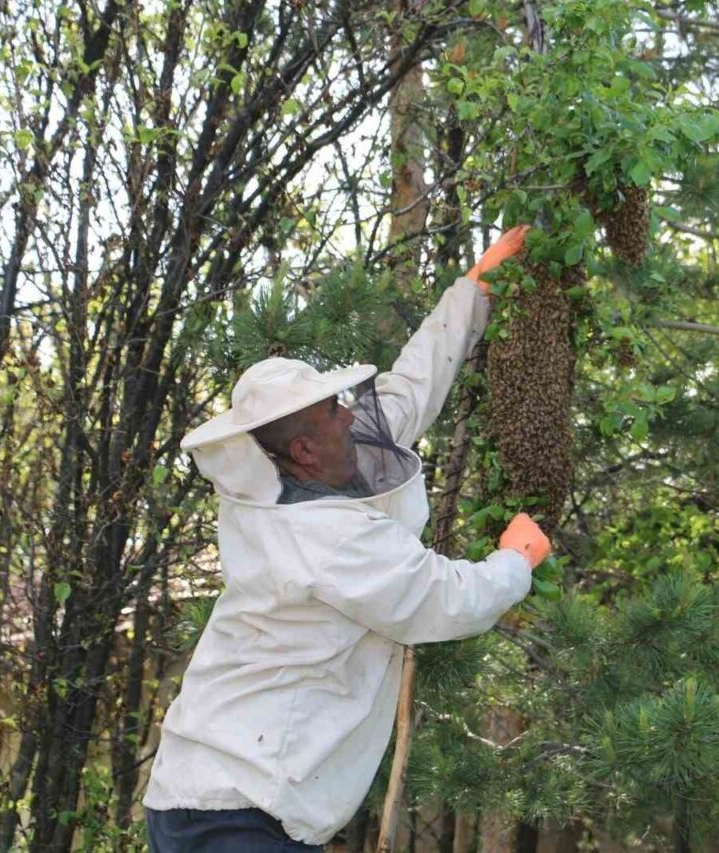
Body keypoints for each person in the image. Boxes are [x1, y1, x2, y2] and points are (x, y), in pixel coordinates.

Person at [142, 226, 552, 852]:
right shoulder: (322, 537)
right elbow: (444, 599)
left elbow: (411, 389)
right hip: (238, 808)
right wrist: (515, 561)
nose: (351, 412)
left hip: (213, 791)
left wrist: (473, 291)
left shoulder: (288, 471)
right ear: (304, 448)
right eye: (334, 409)